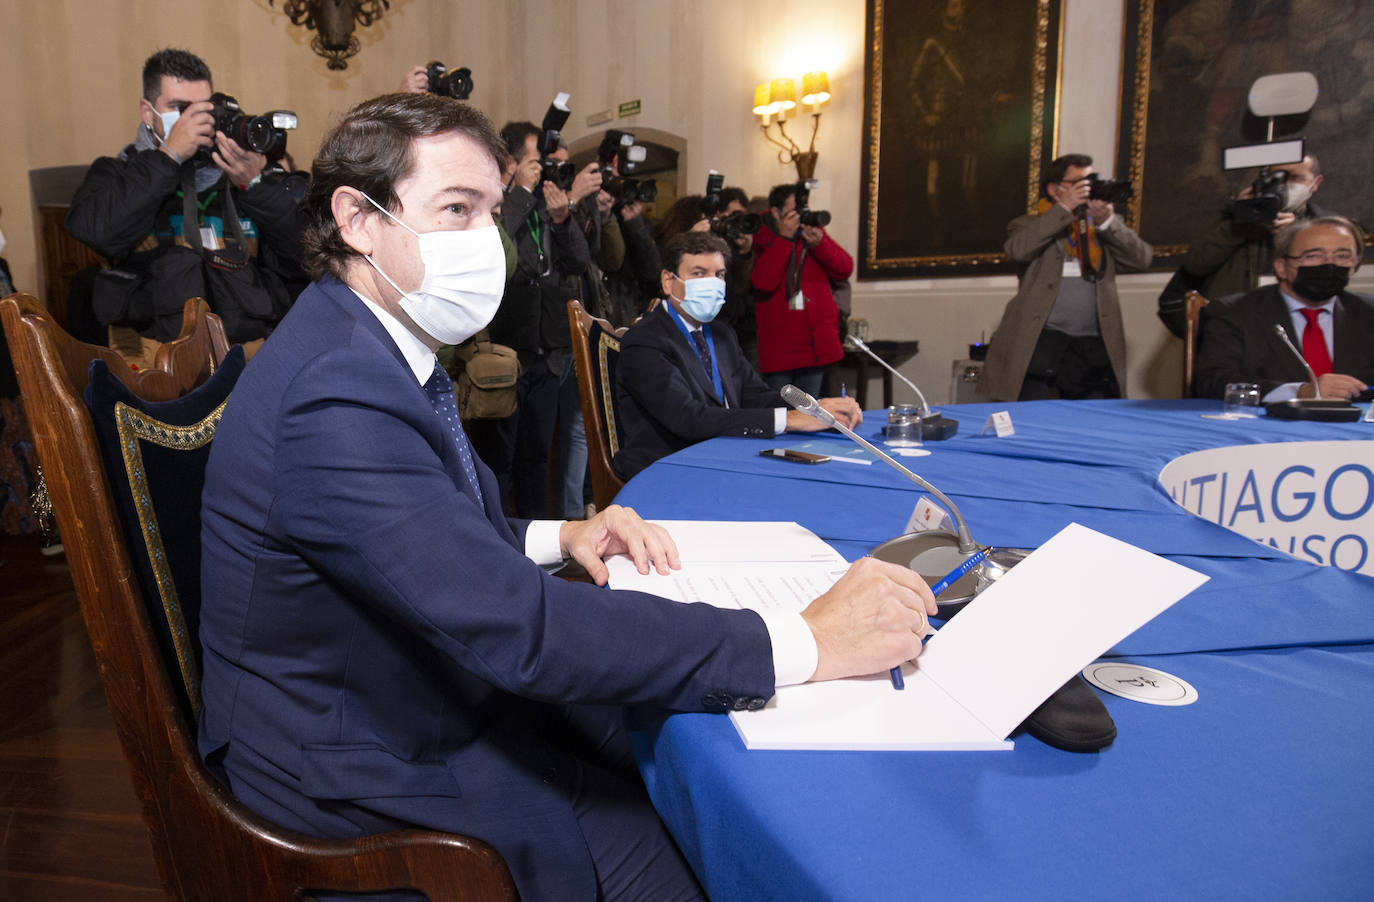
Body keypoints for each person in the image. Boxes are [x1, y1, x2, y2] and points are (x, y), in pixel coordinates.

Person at [197, 92, 937, 902]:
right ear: (359, 219)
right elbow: (519, 630)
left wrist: (564, 535)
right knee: (708, 849)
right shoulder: (334, 389)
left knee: (682, 763)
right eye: (455, 209)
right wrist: (801, 641)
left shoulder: (367, 339)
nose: (487, 240)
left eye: (491, 210)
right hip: (363, 767)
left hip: (411, 697)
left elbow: (428, 533)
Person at [66, 48, 302, 365]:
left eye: (203, 109)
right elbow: (94, 229)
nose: (196, 121)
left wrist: (254, 184)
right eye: (179, 108)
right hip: (155, 365)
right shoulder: (118, 172)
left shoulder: (239, 176)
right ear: (148, 113)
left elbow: (301, 253)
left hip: (246, 361)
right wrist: (169, 157)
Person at [614, 232, 862, 481]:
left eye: (719, 275)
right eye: (699, 273)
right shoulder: (645, 340)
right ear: (668, 281)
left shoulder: (720, 333)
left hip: (719, 458)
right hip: (665, 471)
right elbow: (688, 418)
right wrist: (789, 420)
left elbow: (754, 395)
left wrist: (816, 408)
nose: (712, 283)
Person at [471, 120, 590, 517]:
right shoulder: (498, 201)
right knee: (497, 458)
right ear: (512, 161)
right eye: (538, 161)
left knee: (538, 455)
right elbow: (498, 251)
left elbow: (578, 262)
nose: (545, 171)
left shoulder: (548, 205)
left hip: (549, 352)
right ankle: (499, 539)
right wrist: (519, 192)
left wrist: (563, 219)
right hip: (507, 350)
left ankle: (539, 541)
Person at [981, 153, 1153, 401]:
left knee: (1093, 422)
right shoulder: (1028, 223)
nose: (1088, 188)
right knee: (1034, 418)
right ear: (1054, 189)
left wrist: (1107, 222)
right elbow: (1017, 249)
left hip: (1093, 343)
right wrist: (1064, 209)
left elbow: (1142, 259)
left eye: (1092, 181)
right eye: (1080, 183)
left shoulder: (1103, 227)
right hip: (1043, 341)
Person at [1193, 216, 1373, 401]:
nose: (1329, 264)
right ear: (1281, 267)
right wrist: (1299, 392)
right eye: (1312, 256)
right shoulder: (1233, 312)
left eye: (1342, 256)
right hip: (1266, 425)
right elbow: (1212, 382)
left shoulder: (1368, 312)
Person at [751, 182, 854, 397]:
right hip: (780, 352)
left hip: (817, 348)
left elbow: (845, 268)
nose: (800, 217)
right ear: (776, 213)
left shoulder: (812, 236)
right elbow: (762, 282)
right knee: (783, 418)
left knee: (817, 417)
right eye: (793, 211)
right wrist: (784, 239)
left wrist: (820, 244)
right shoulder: (763, 238)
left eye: (802, 209)